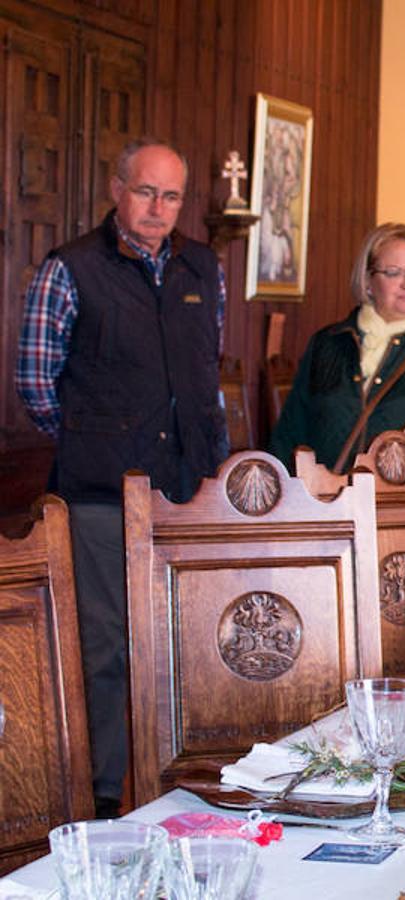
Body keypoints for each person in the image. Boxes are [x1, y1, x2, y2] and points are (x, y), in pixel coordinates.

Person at [16, 137, 229, 818]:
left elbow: (206, 372)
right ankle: (105, 792)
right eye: (145, 191)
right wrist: (97, 436)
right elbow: (35, 384)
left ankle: (177, 777)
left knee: (183, 638)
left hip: (186, 488)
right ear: (116, 189)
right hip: (101, 491)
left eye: (171, 195)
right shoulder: (71, 268)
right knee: (104, 645)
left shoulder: (202, 266)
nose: (157, 207)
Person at [270, 223, 405, 472]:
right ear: (367, 281)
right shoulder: (327, 344)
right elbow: (288, 437)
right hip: (331, 505)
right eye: (394, 273)